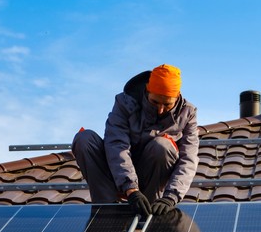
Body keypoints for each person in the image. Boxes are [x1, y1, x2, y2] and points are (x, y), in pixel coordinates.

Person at [72, 64, 198, 215]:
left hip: (152, 178)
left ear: (177, 97)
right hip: (118, 175)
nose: (160, 110)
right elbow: (117, 145)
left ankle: (149, 212)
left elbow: (188, 159)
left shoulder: (187, 114)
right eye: (155, 102)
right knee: (84, 139)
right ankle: (106, 210)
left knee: (162, 146)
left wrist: (171, 197)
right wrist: (131, 188)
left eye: (167, 104)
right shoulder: (125, 103)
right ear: (146, 91)